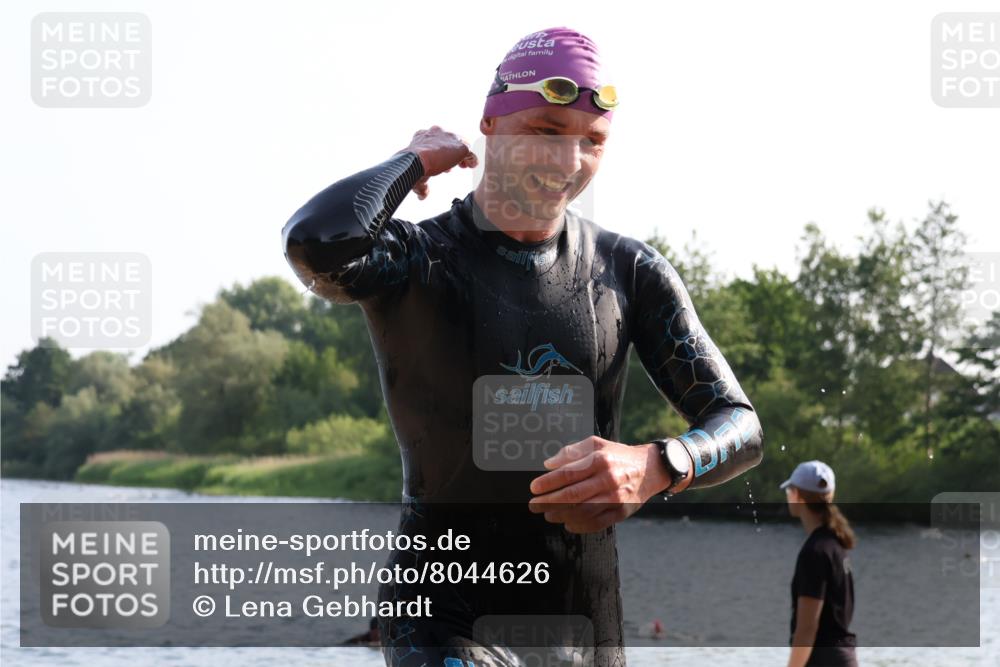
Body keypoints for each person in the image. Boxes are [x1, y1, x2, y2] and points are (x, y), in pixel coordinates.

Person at [282, 26, 764, 667]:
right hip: (442, 617)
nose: (569, 163)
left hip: (586, 628)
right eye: (545, 130)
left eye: (592, 141)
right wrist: (414, 161)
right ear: (490, 122)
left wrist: (660, 464)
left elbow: (741, 426)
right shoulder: (417, 261)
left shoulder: (627, 270)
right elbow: (316, 243)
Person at [781, 461, 858, 667]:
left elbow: (807, 629)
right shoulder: (837, 546)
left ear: (797, 495)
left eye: (789, 490)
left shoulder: (814, 552)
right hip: (844, 658)